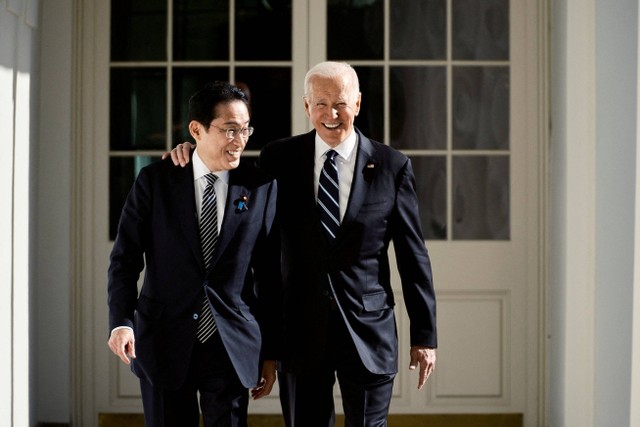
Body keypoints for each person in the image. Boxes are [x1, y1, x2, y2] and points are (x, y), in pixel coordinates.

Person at [169, 62, 437, 427]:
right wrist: (192, 148)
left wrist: (424, 336)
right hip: (299, 332)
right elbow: (227, 174)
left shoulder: (392, 166)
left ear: (357, 104)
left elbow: (413, 256)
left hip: (368, 330)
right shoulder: (278, 159)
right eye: (321, 104)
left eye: (340, 104)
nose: (331, 114)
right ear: (306, 107)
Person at [108, 81, 281, 427]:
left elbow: (269, 276)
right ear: (196, 130)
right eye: (230, 130)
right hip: (162, 341)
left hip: (230, 346)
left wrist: (271, 353)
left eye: (246, 129)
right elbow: (125, 259)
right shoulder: (155, 181)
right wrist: (121, 322)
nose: (240, 140)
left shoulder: (261, 187)